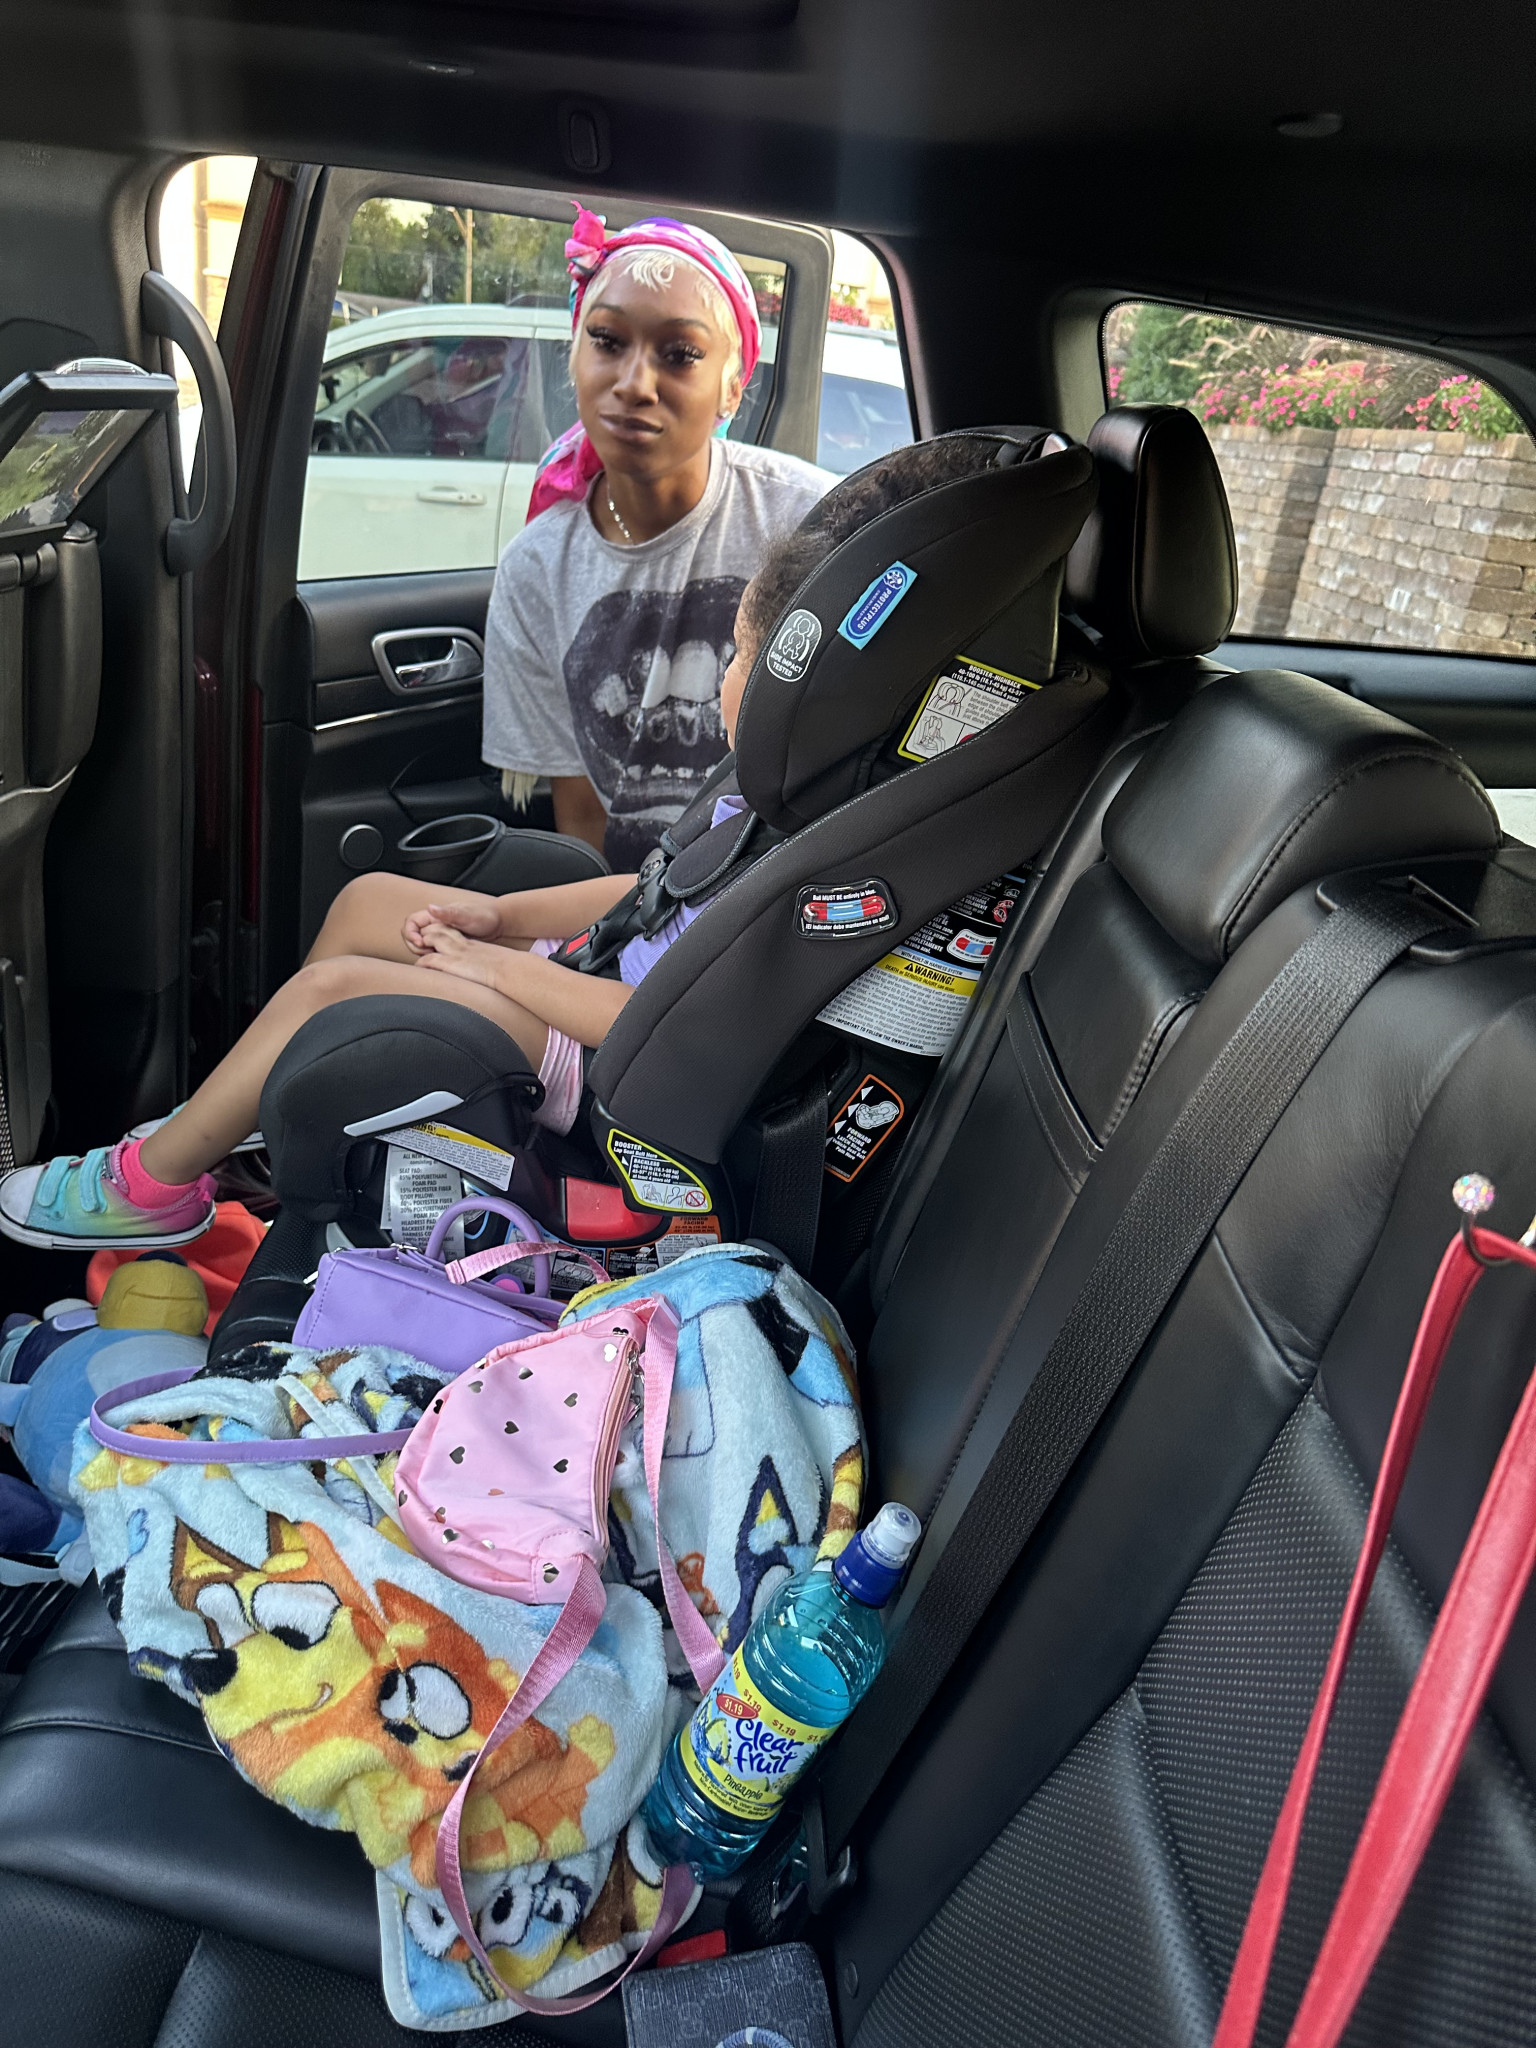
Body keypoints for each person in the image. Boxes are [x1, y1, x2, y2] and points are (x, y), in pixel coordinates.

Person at [0, 436, 997, 1251]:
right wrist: (502, 916)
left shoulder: (820, 871)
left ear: (807, 690)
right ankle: (268, 1113)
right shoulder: (766, 798)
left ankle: (153, 1186)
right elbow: (649, 890)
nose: (729, 676)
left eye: (741, 655)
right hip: (588, 985)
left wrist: (493, 965)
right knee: (367, 904)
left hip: (613, 1070)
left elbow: (662, 1020)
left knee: (332, 992)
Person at [483, 206, 833, 869]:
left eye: (680, 355)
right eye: (607, 341)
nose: (634, 384)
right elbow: (581, 825)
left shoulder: (809, 518)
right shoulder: (536, 569)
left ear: (732, 389)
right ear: (575, 358)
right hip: (629, 901)